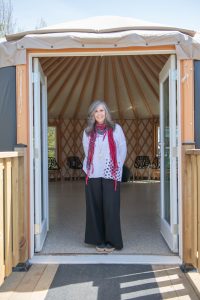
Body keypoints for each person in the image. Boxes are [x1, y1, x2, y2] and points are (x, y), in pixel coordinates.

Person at [82, 100, 127, 253]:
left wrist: (116, 166)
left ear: (106, 112)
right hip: (93, 172)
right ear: (92, 114)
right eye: (96, 111)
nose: (99, 114)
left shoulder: (116, 129)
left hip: (110, 172)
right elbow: (87, 152)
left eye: (102, 110)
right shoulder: (88, 132)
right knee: (95, 206)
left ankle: (112, 240)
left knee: (110, 206)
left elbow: (122, 149)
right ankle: (98, 240)